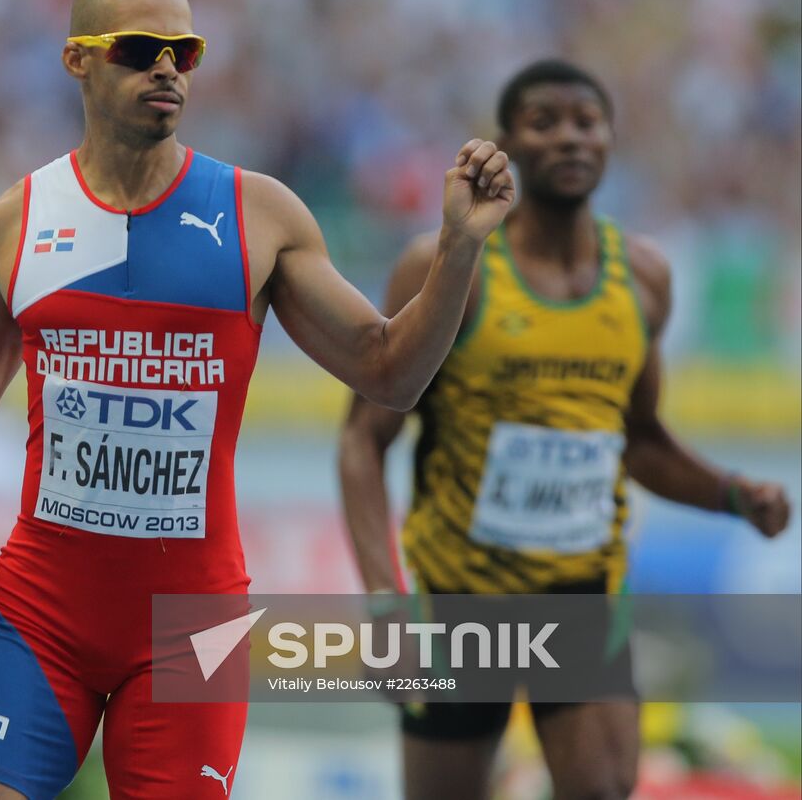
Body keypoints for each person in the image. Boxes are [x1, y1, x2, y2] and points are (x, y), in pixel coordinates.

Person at [0, 0, 515, 800]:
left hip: (190, 631)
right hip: (41, 612)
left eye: (184, 51)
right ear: (78, 60)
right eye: (141, 48)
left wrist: (459, 250)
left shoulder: (258, 215)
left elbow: (389, 372)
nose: (166, 69)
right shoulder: (17, 220)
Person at [338, 59, 792, 800]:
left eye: (587, 121)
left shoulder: (643, 278)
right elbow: (363, 442)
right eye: (544, 122)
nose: (571, 138)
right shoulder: (452, 266)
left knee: (603, 788)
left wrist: (734, 495)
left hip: (581, 595)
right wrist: (386, 604)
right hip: (460, 600)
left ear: (611, 139)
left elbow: (640, 440)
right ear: (506, 142)